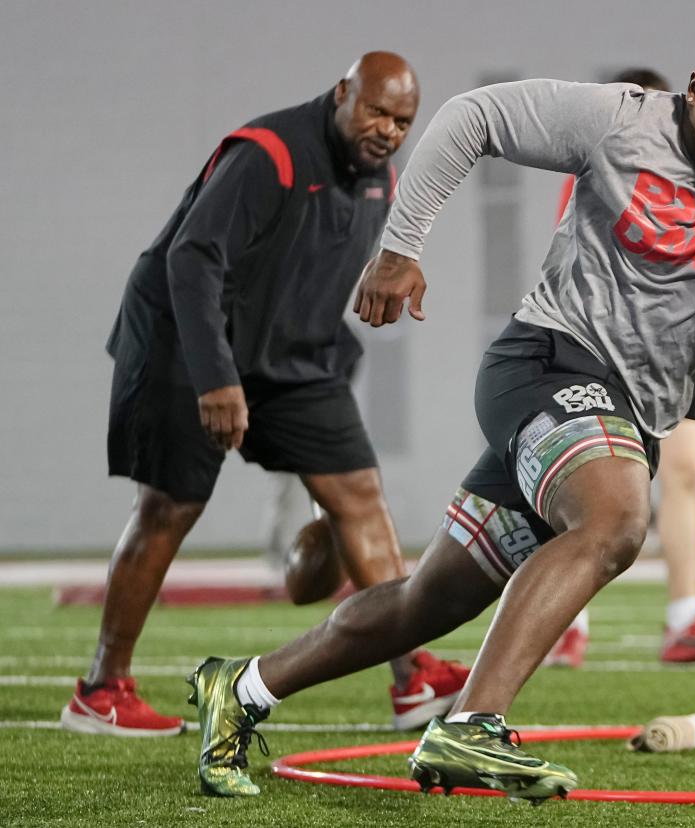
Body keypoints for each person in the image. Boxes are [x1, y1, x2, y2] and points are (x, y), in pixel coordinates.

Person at [189, 27, 695, 800]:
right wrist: (401, 247)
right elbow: (472, 117)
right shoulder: (619, 121)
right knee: (616, 521)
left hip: (627, 413)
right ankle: (471, 727)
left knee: (428, 602)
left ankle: (245, 688)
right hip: (547, 363)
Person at [62, 53, 467, 738]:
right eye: (376, 111)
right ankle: (102, 691)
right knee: (169, 507)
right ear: (342, 93)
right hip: (186, 342)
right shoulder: (269, 153)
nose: (389, 131)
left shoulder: (377, 179)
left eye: (402, 121)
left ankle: (413, 676)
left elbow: (314, 280)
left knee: (358, 494)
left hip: (288, 354)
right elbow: (190, 258)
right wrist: (216, 378)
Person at [543, 68, 695, 668]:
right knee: (588, 488)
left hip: (678, 349)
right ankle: (566, 621)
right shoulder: (596, 160)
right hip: (604, 348)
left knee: (684, 473)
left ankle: (685, 619)